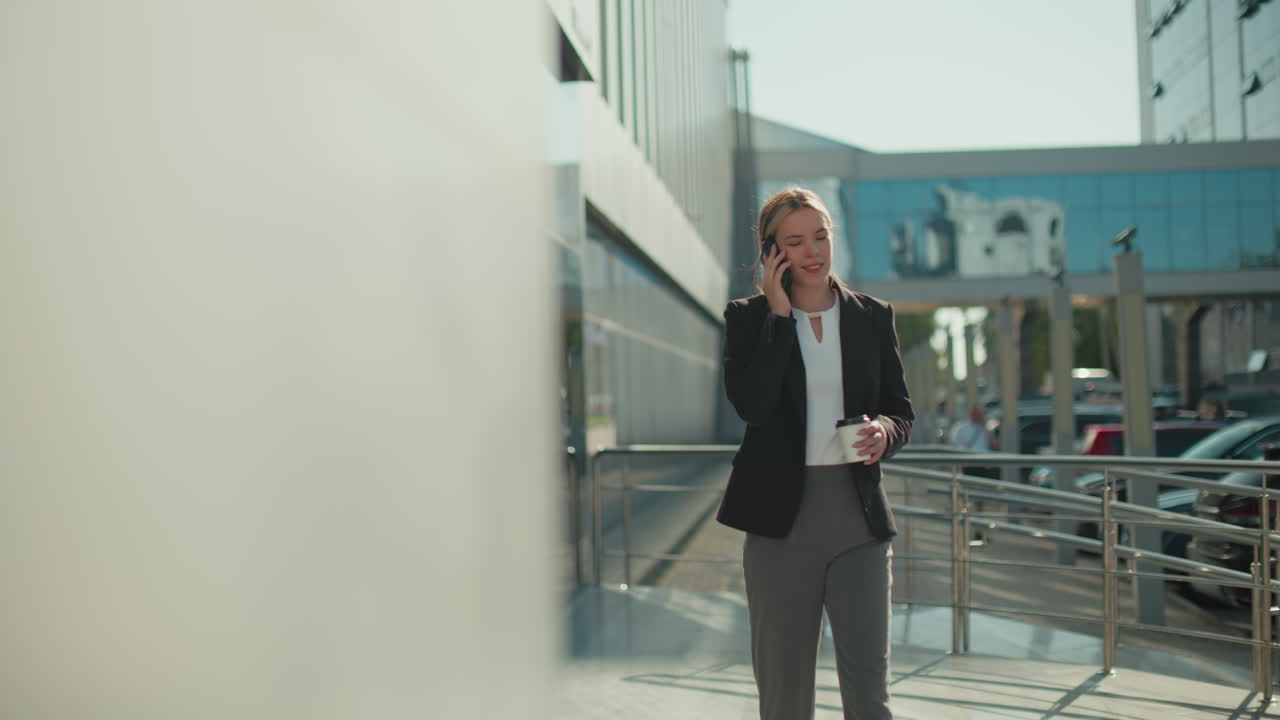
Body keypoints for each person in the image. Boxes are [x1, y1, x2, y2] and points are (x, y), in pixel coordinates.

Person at [718, 186, 913, 720]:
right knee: (784, 694)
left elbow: (900, 409)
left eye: (821, 236)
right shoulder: (747, 319)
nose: (812, 251)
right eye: (795, 241)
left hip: (858, 521)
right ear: (771, 252)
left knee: (870, 694)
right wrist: (779, 318)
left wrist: (884, 433)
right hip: (780, 524)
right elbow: (753, 408)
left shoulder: (873, 316)